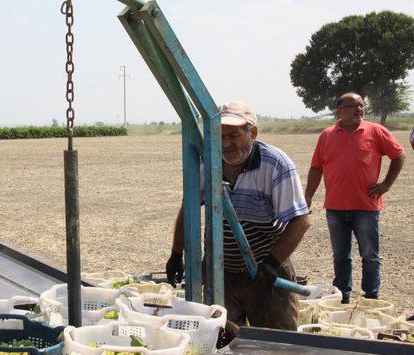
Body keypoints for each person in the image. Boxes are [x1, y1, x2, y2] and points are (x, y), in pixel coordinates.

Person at [165, 101, 310, 330]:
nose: (225, 143)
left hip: (264, 270)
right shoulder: (208, 164)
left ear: (252, 133)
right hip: (221, 271)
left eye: (233, 135)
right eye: (219, 136)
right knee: (224, 340)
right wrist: (176, 253)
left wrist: (271, 264)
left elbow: (300, 221)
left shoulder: (275, 164)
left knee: (278, 344)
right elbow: (188, 209)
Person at [304, 93, 405, 304]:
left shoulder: (375, 131)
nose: (359, 109)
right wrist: (308, 196)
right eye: (353, 106)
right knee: (341, 256)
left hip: (366, 207)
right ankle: (342, 296)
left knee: (369, 255)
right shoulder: (327, 135)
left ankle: (371, 296)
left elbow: (398, 155)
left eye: (361, 106)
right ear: (339, 110)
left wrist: (386, 184)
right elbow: (316, 167)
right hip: (335, 208)